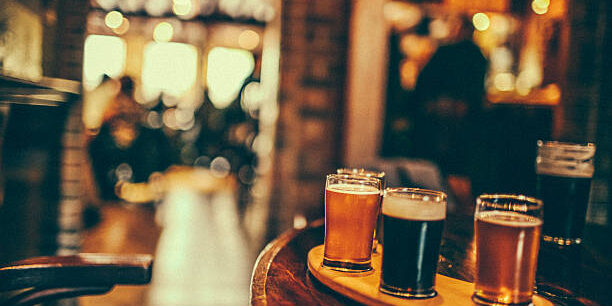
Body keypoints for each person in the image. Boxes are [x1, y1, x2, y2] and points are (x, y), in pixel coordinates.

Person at [412, 16, 488, 176]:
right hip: (458, 113)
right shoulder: (477, 55)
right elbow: (478, 88)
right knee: (454, 158)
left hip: (443, 110)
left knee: (438, 155)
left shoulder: (447, 51)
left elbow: (424, 80)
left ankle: (436, 180)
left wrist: (429, 103)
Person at [88, 76, 176, 201]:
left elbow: (166, 166)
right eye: (120, 99)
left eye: (129, 98)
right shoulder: (102, 140)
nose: (125, 104)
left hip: (145, 208)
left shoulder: (152, 138)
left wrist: (157, 180)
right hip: (110, 206)